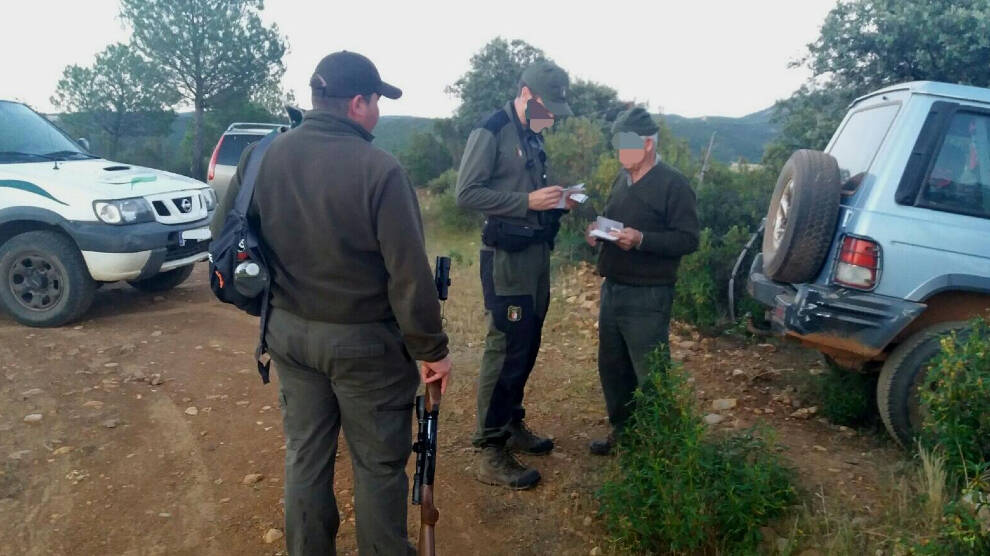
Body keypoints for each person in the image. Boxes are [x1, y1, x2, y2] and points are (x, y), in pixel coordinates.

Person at [212, 50, 452, 555]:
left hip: (290, 336)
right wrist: (431, 349)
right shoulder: (380, 170)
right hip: (366, 346)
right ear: (358, 102)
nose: (379, 114)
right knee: (379, 466)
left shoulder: (263, 156)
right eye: (377, 102)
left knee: (305, 455)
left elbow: (225, 234)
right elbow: (409, 276)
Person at [455, 60, 575, 489]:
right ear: (526, 94)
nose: (553, 117)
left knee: (527, 341)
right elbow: (467, 192)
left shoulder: (532, 132)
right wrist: (528, 202)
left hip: (534, 256)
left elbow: (530, 189)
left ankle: (511, 423)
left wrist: (558, 199)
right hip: (505, 258)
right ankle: (489, 447)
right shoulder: (492, 130)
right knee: (504, 345)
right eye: (549, 107)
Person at [586, 106, 699, 455]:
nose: (620, 153)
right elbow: (613, 220)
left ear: (648, 144)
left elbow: (688, 239)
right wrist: (596, 233)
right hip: (613, 289)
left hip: (648, 295)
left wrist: (642, 240)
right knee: (613, 368)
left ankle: (661, 452)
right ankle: (625, 436)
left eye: (626, 145)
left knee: (652, 376)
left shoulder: (674, 184)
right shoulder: (623, 178)